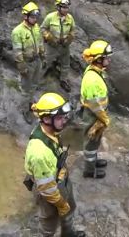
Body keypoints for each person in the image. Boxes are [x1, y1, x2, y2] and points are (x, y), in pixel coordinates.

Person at [24, 92, 85, 237]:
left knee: (70, 208)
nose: (64, 121)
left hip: (60, 178)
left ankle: (68, 233)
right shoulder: (39, 153)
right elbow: (46, 188)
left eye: (64, 117)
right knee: (49, 224)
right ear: (46, 118)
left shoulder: (48, 129)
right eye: (59, 118)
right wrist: (61, 204)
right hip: (49, 191)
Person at [80, 40, 112, 179]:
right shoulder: (92, 79)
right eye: (106, 57)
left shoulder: (95, 71)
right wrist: (104, 120)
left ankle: (92, 162)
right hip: (94, 115)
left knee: (95, 140)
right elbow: (95, 106)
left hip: (96, 114)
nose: (109, 60)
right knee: (91, 143)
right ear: (99, 59)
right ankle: (89, 171)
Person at [11, 1, 46, 124]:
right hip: (27, 63)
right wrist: (22, 67)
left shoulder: (36, 27)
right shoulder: (18, 31)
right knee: (26, 89)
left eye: (36, 17)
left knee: (34, 85)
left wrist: (43, 55)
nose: (35, 19)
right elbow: (17, 51)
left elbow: (40, 42)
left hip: (37, 61)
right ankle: (25, 110)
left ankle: (30, 103)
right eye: (32, 17)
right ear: (25, 16)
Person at [40, 0, 75, 92]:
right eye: (63, 7)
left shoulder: (70, 18)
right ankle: (37, 79)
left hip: (64, 46)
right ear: (58, 7)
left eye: (67, 8)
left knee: (65, 63)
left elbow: (72, 30)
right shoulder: (50, 17)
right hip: (52, 46)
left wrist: (69, 38)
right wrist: (49, 37)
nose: (66, 10)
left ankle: (63, 80)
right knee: (45, 62)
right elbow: (42, 29)